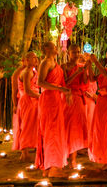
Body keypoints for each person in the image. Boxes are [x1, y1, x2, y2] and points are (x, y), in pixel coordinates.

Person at [35, 41, 67, 178]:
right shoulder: (45, 62)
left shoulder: (56, 64)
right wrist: (59, 88)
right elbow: (40, 83)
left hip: (56, 99)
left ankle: (51, 166)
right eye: (53, 46)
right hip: (48, 99)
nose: (56, 48)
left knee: (56, 131)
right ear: (46, 49)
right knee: (51, 131)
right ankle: (53, 167)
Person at [62, 44, 89, 168]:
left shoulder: (81, 67)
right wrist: (76, 72)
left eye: (78, 52)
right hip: (67, 98)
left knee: (76, 128)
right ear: (68, 53)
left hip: (78, 99)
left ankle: (73, 158)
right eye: (74, 52)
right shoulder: (64, 67)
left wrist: (85, 69)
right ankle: (65, 156)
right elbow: (65, 83)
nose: (77, 54)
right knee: (67, 127)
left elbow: (84, 82)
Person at [12, 51, 39, 161]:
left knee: (33, 125)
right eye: (33, 58)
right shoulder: (27, 72)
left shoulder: (33, 71)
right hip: (28, 101)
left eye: (36, 58)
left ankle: (32, 147)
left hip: (32, 100)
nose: (36, 60)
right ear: (26, 60)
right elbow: (27, 90)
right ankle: (24, 153)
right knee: (26, 126)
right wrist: (40, 96)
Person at [11, 56, 27, 151]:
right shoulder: (18, 73)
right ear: (23, 61)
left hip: (33, 101)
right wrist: (15, 104)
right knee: (22, 124)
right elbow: (14, 90)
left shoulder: (34, 71)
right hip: (22, 100)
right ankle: (23, 146)